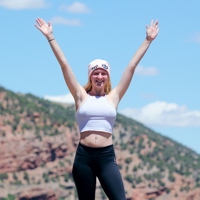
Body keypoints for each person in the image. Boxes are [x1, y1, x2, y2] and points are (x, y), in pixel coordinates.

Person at [35, 17, 159, 200]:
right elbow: (64, 65)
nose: (100, 76)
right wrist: (50, 37)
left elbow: (131, 67)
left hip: (106, 157)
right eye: (96, 73)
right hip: (83, 157)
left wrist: (147, 40)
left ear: (107, 77)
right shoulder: (80, 96)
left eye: (103, 73)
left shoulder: (114, 97)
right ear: (90, 76)